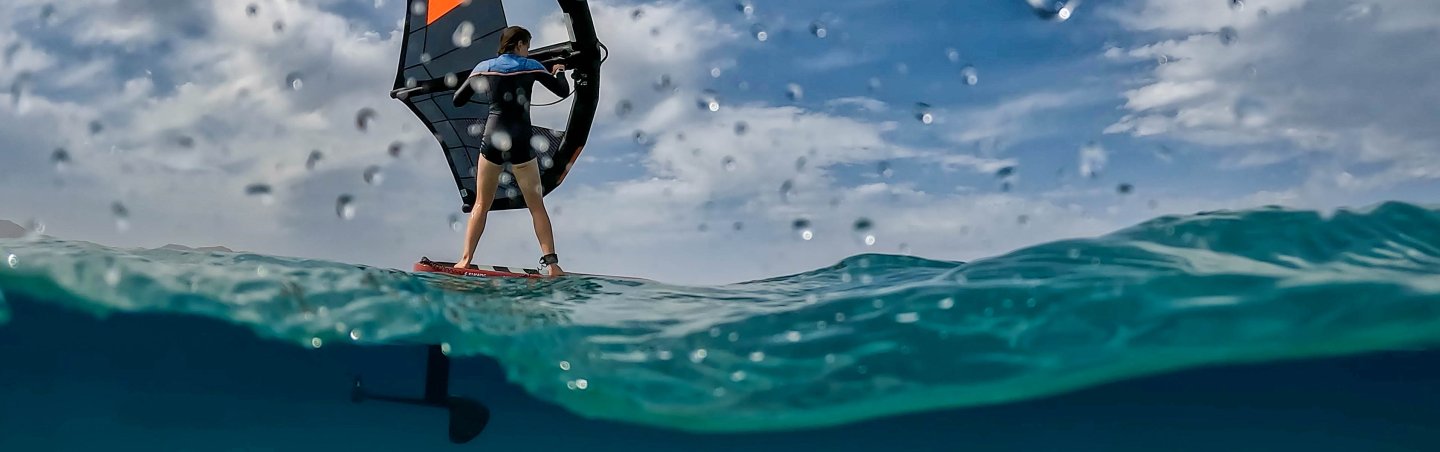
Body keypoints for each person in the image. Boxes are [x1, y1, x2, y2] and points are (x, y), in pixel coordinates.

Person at [451, 26, 570, 276]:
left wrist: (477, 80)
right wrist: (558, 71)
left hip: (492, 138)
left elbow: (458, 100)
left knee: (481, 203)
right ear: (519, 45)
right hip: (521, 140)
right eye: (526, 45)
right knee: (535, 205)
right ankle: (552, 265)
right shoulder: (532, 66)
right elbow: (563, 91)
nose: (527, 50)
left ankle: (464, 260)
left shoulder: (483, 67)